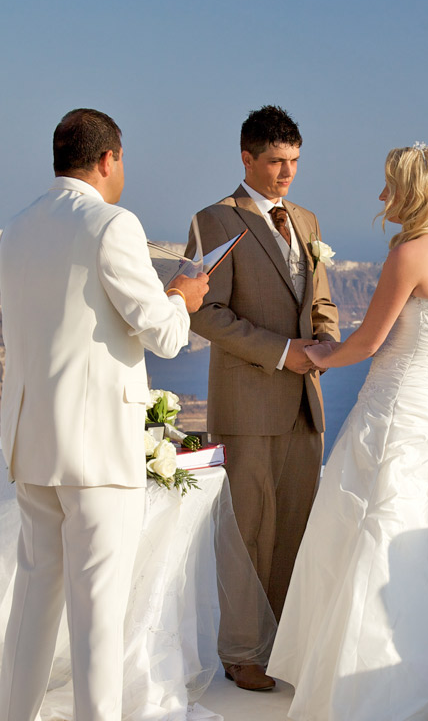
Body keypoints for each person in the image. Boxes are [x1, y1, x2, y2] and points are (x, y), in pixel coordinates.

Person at [267, 143, 428, 720]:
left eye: (390, 185)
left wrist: (319, 355)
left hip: (392, 418)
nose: (382, 197)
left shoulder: (409, 253)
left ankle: (363, 689)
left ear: (413, 192)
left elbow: (369, 343)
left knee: (369, 544)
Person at [0, 108, 209, 721]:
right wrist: (182, 295)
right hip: (95, 451)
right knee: (97, 619)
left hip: (32, 439)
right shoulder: (111, 223)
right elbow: (164, 335)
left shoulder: (18, 227)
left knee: (33, 605)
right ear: (109, 158)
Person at [185, 105, 340, 690]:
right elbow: (207, 314)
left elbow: (318, 299)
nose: (286, 173)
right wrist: (282, 352)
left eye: (294, 161)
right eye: (275, 161)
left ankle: (283, 647)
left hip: (305, 404)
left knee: (296, 528)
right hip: (248, 402)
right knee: (248, 530)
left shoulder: (307, 219)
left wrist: (324, 338)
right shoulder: (215, 220)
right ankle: (242, 653)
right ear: (246, 157)